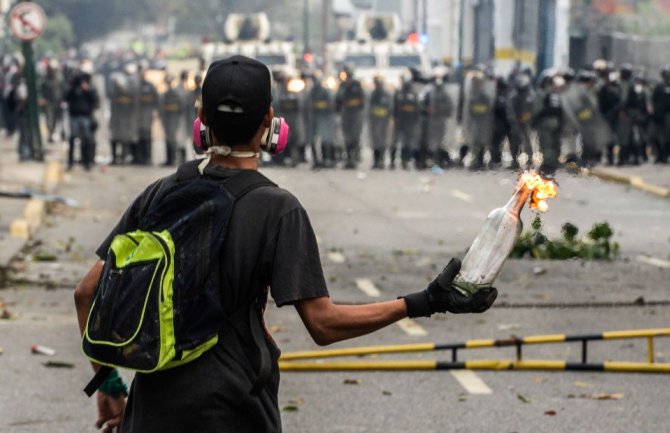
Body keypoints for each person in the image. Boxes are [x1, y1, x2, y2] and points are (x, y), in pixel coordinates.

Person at [74, 55, 497, 433]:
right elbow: (324, 324)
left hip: (152, 411)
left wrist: (109, 385)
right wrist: (423, 302)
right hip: (236, 408)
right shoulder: (278, 209)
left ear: (200, 119)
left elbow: (86, 292)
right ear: (271, 123)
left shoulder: (159, 194)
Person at [65, 72, 99, 170]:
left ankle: (87, 161)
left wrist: (87, 90)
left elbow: (95, 102)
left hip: (86, 116)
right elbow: (66, 98)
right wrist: (73, 88)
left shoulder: (90, 89)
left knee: (87, 140)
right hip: (74, 116)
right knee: (72, 139)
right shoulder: (73, 89)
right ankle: (70, 162)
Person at [367, 75, 393, 169]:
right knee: (375, 141)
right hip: (374, 121)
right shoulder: (372, 94)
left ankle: (381, 160)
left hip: (383, 121)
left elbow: (390, 108)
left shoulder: (386, 95)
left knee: (382, 141)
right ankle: (375, 160)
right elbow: (368, 108)